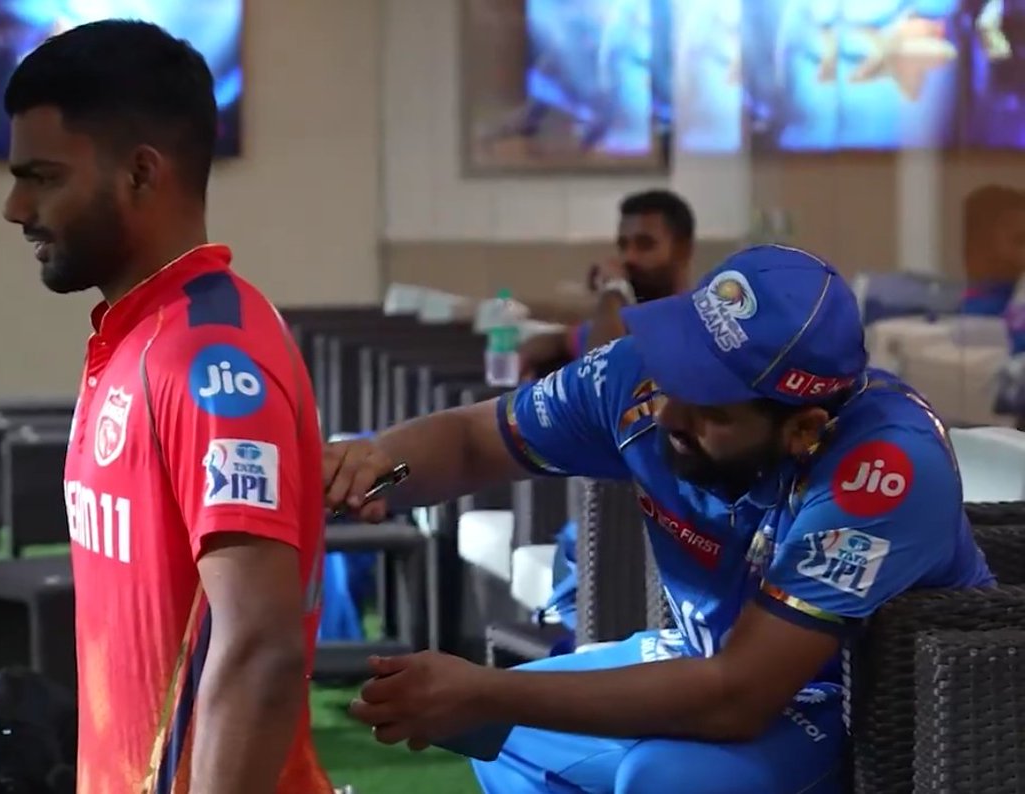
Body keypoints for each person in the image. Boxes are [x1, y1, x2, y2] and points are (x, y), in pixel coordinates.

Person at [325, 245, 994, 793]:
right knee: (501, 735)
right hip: (710, 661)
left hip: (870, 714)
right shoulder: (642, 382)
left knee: (666, 778)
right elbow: (475, 440)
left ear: (803, 429)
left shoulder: (884, 470)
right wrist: (377, 465)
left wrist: (488, 694)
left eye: (711, 406)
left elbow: (738, 695)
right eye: (677, 374)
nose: (668, 413)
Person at [1, 20, 334, 794]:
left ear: (142, 175)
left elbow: (260, 646)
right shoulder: (134, 339)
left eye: (42, 176)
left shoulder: (208, 358)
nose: (15, 207)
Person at [518, 189, 695, 379]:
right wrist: (523, 359)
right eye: (623, 246)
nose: (629, 257)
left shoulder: (692, 326)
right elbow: (563, 340)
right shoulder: (630, 319)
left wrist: (613, 289)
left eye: (645, 245)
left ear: (682, 251)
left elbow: (601, 378)